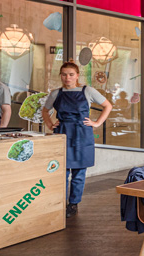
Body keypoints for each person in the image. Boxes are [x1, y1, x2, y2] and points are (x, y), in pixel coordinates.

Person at [42, 61, 112, 218]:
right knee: (62, 171)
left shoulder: (88, 91)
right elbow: (45, 111)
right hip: (62, 133)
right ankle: (60, 202)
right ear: (60, 76)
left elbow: (108, 106)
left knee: (79, 172)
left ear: (77, 75)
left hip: (82, 133)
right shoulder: (55, 93)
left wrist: (97, 123)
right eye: (64, 75)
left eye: (71, 74)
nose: (67, 78)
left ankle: (73, 204)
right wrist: (50, 124)